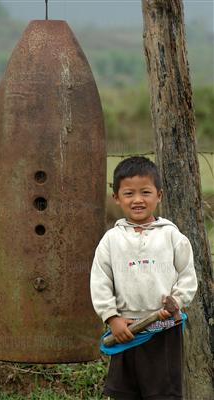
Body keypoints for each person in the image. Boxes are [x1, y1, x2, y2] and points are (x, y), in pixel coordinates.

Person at [90, 156, 198, 400]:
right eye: (129, 193)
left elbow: (188, 276)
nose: (137, 200)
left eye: (145, 192)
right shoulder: (111, 240)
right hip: (127, 329)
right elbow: (100, 281)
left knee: (163, 394)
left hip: (164, 329)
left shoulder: (172, 236)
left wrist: (176, 302)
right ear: (116, 198)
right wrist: (112, 317)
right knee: (125, 393)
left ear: (159, 195)